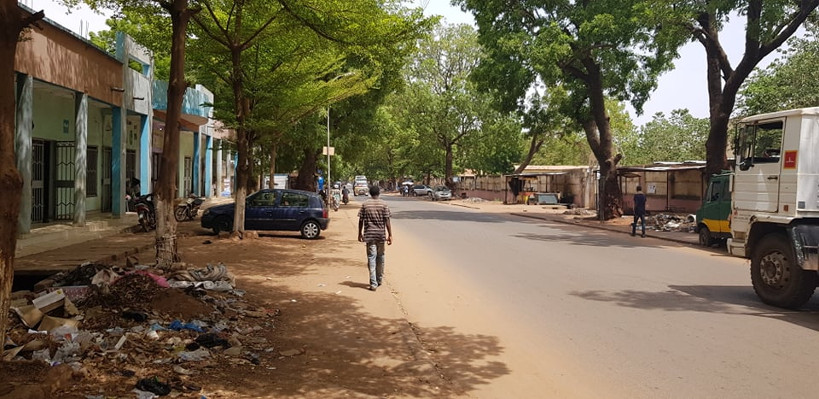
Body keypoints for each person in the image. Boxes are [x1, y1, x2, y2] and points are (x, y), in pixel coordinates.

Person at [358, 185, 393, 291]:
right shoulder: (384, 204)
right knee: (380, 257)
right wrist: (390, 235)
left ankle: (373, 283)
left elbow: (361, 220)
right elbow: (387, 221)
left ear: (370, 193)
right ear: (379, 193)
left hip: (369, 235)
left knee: (371, 258)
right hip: (380, 236)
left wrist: (359, 233)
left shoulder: (365, 205)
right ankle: (379, 279)